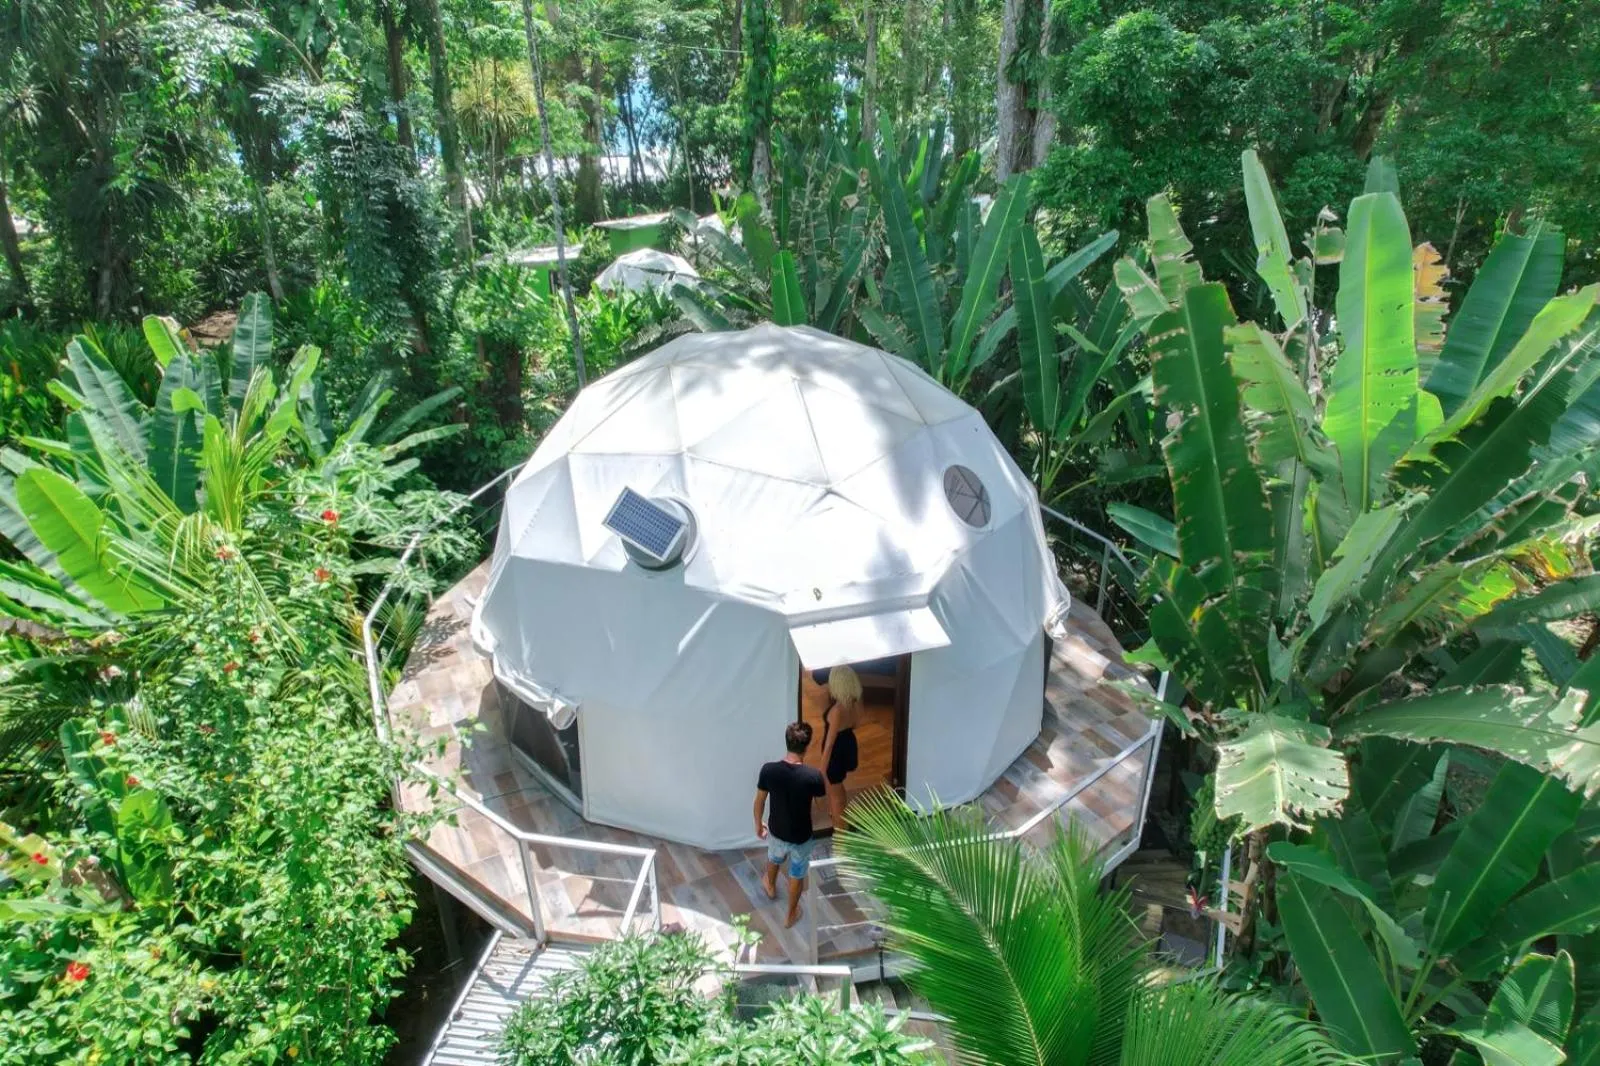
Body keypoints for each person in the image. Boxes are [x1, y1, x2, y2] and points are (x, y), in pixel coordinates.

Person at [753, 721, 826, 928]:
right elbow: (821, 806)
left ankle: (770, 885)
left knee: (774, 858)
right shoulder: (813, 776)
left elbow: (759, 801)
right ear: (808, 746)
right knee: (797, 873)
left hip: (776, 831)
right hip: (801, 836)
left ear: (786, 742)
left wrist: (758, 824)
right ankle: (791, 914)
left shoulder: (769, 770)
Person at [818, 665, 862, 832]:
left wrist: (822, 769)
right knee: (837, 786)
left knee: (834, 793)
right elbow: (857, 723)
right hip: (848, 743)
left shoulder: (837, 710)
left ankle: (840, 831)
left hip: (835, 751)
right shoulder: (855, 703)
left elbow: (829, 743)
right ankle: (841, 817)